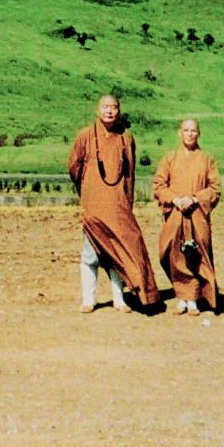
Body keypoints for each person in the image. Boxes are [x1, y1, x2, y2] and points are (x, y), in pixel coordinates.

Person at [67, 95, 161, 313]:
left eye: (114, 107)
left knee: (118, 251)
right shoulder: (85, 136)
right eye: (105, 107)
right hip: (94, 205)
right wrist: (89, 189)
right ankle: (89, 299)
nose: (109, 111)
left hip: (118, 206)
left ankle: (120, 299)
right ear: (97, 110)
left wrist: (127, 201)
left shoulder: (126, 138)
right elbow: (74, 167)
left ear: (119, 111)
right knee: (90, 253)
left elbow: (129, 174)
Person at [152, 119, 221, 316]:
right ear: (179, 133)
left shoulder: (206, 159)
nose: (190, 134)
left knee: (197, 255)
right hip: (175, 213)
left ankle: (193, 300)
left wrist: (194, 198)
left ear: (199, 134)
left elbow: (215, 188)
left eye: (193, 131)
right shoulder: (170, 158)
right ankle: (181, 296)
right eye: (186, 130)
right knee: (172, 253)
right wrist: (174, 199)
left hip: (197, 214)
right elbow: (159, 185)